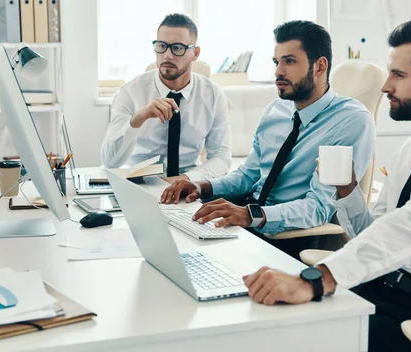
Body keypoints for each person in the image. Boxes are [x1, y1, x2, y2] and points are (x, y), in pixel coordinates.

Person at [242, 18, 411, 352]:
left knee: (296, 339)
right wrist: (347, 192)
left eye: (398, 75)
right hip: (384, 288)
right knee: (261, 320)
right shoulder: (410, 149)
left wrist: (319, 279)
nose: (385, 87)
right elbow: (375, 232)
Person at [161, 20, 376, 258]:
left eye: (290, 61)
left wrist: (250, 215)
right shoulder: (277, 110)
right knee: (170, 243)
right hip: (248, 217)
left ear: (319, 66)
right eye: (277, 62)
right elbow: (249, 175)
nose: (278, 72)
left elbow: (318, 208)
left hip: (285, 236)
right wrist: (203, 187)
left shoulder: (351, 121)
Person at [101, 13, 231, 183]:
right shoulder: (130, 92)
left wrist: (185, 180)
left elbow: (221, 157)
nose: (167, 55)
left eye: (177, 48)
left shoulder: (213, 95)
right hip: (138, 185)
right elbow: (110, 161)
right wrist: (138, 118)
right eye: (162, 46)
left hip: (189, 185)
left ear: (195, 53)